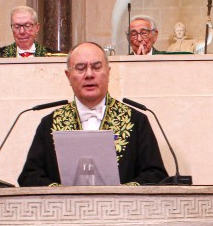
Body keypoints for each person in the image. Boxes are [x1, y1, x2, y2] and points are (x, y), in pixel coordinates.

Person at [17, 42, 168, 186]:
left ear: (108, 73)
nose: (89, 74)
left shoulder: (136, 120)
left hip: (120, 211)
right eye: (80, 68)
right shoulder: (49, 124)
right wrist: (63, 194)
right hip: (65, 211)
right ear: (68, 76)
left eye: (96, 67)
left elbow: (155, 175)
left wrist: (120, 192)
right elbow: (29, 176)